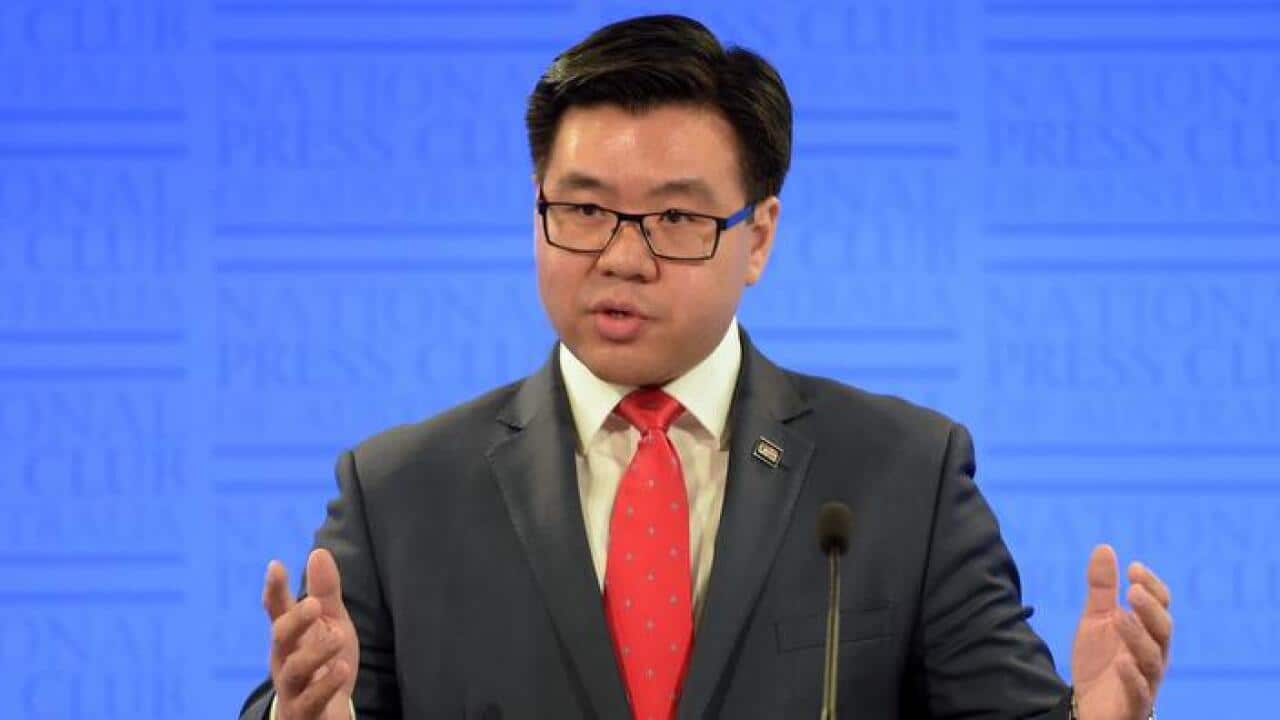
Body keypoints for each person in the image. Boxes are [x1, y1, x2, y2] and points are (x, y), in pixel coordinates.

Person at [240, 14, 1172, 720]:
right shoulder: (400, 490)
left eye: (676, 220)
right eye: (584, 209)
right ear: (537, 209)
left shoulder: (902, 475)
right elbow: (306, 702)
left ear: (758, 235)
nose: (622, 256)